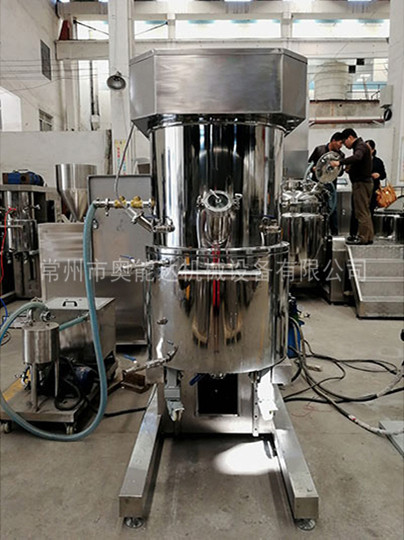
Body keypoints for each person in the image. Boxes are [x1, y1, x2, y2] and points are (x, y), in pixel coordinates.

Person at [330, 128, 374, 245]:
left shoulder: (360, 146)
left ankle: (363, 238)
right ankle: (368, 237)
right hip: (364, 183)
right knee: (364, 211)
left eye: (345, 142)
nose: (344, 145)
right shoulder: (361, 146)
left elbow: (358, 157)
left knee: (361, 212)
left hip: (361, 184)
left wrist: (340, 162)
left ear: (350, 137)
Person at [308, 132, 345, 235]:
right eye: (340, 143)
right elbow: (309, 163)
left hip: (330, 185)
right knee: (317, 207)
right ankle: (317, 232)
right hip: (317, 184)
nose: (341, 146)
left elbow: (341, 172)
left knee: (332, 208)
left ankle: (334, 233)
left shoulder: (340, 155)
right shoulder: (319, 150)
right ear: (333, 141)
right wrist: (313, 169)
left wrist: (336, 168)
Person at [365, 139, 387, 216]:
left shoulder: (378, 161)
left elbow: (384, 175)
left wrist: (379, 175)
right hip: (364, 188)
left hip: (374, 190)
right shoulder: (361, 160)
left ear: (373, 150)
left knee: (371, 210)